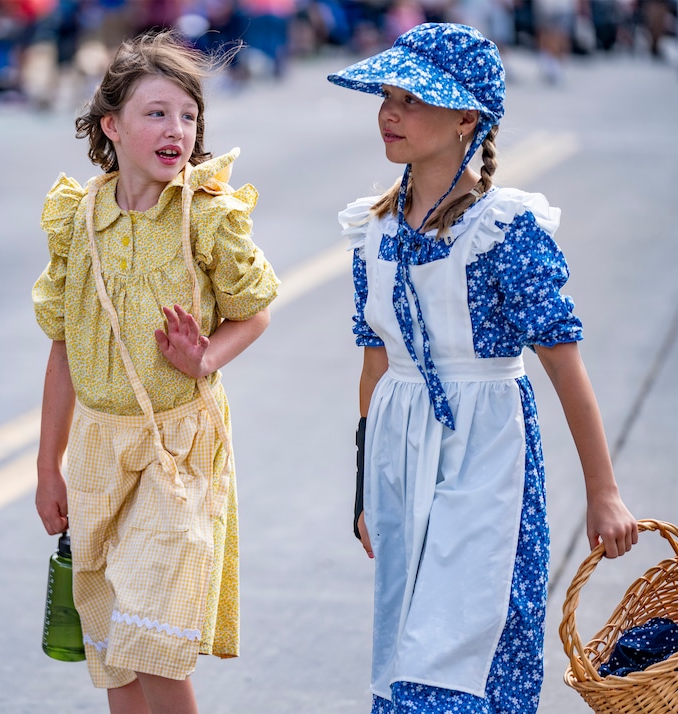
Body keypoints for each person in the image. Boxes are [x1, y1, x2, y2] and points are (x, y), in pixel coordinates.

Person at [327, 22, 637, 714]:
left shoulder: (505, 230)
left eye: (413, 99)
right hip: (402, 464)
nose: (390, 112)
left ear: (467, 117)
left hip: (485, 460)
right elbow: (374, 372)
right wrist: (365, 493)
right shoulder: (372, 234)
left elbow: (563, 363)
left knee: (469, 657)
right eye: (387, 95)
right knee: (406, 660)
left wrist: (604, 492)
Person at [32, 30, 279, 714]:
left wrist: (205, 357)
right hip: (97, 451)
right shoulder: (77, 221)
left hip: (179, 451)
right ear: (111, 125)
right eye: (157, 113)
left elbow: (253, 310)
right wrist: (47, 466)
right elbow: (63, 350)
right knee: (114, 650)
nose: (178, 129)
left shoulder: (205, 216)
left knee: (153, 642)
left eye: (189, 116)